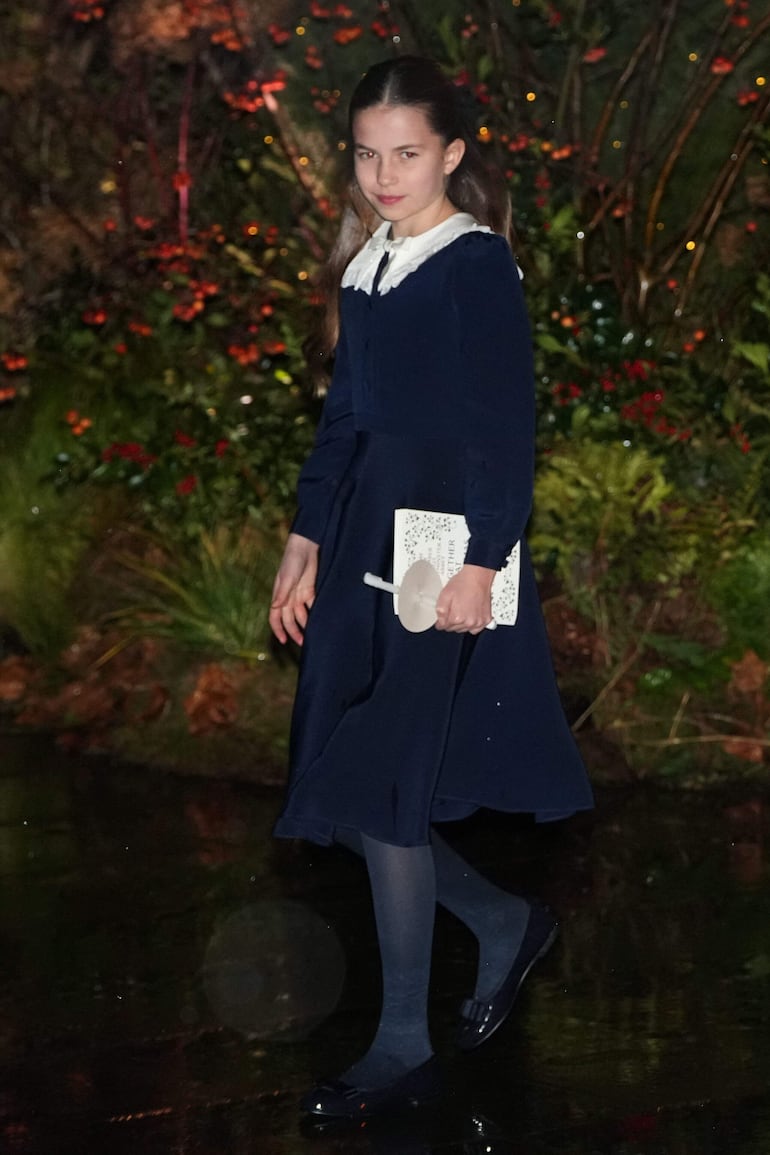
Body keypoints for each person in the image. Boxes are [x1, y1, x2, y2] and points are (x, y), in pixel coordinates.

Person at [269, 55, 593, 1119]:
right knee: (351, 776)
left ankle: (402, 1046)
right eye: (366, 155)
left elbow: (504, 426)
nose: (383, 173)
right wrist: (304, 538)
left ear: (451, 154)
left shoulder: (471, 266)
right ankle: (501, 924)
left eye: (405, 153)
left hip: (443, 552)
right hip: (366, 541)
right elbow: (345, 419)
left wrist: (481, 562)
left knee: (389, 781)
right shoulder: (369, 264)